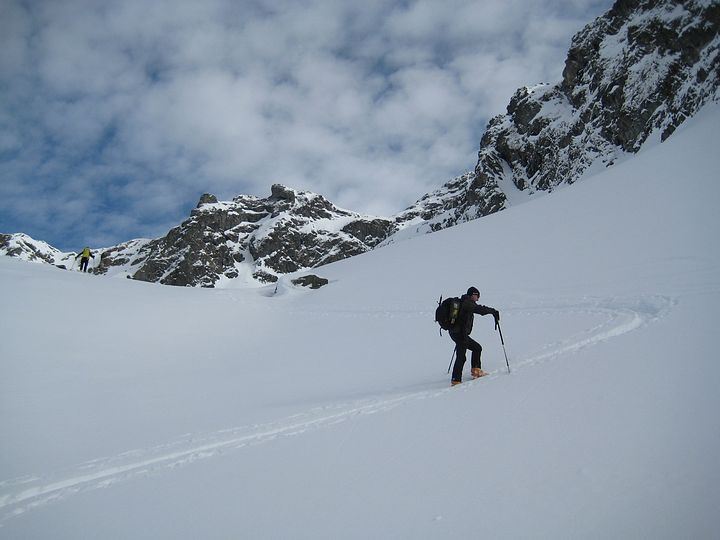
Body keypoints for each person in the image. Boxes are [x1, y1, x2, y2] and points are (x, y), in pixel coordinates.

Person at [449, 286, 500, 386]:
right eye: (477, 296)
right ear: (473, 295)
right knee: (461, 356)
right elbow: (480, 310)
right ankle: (456, 379)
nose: (478, 299)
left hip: (457, 333)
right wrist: (493, 311)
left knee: (477, 348)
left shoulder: (465, 302)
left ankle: (476, 370)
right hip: (460, 334)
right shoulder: (467, 303)